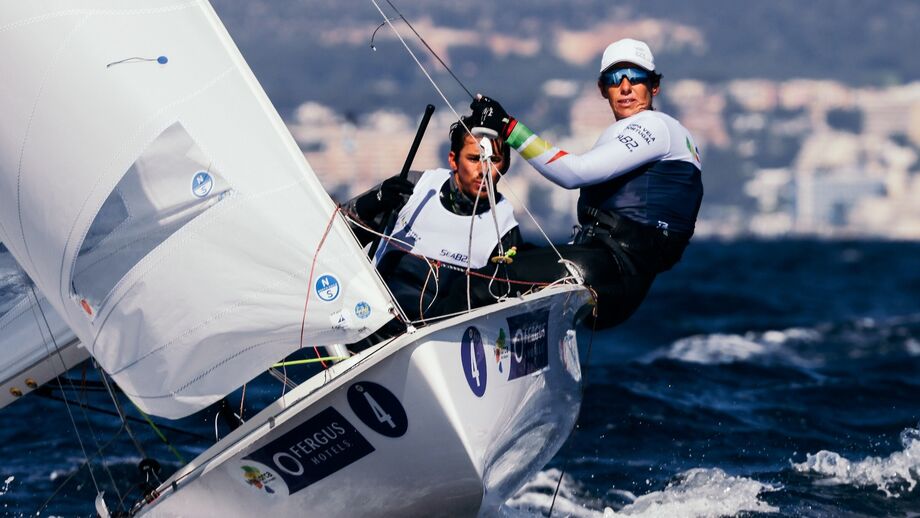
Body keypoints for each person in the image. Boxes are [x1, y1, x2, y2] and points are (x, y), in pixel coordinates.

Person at [466, 38, 704, 328]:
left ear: (654, 87)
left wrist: (507, 127)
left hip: (605, 270)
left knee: (477, 285)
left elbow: (573, 173)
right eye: (616, 79)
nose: (625, 87)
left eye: (636, 78)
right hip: (618, 282)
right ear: (603, 89)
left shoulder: (656, 127)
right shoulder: (654, 136)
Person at [346, 116, 522, 323]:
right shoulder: (415, 186)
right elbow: (340, 232)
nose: (483, 170)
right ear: (453, 160)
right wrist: (372, 203)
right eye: (474, 159)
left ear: (506, 165)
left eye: (493, 160)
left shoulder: (504, 226)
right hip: (372, 320)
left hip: (439, 337)